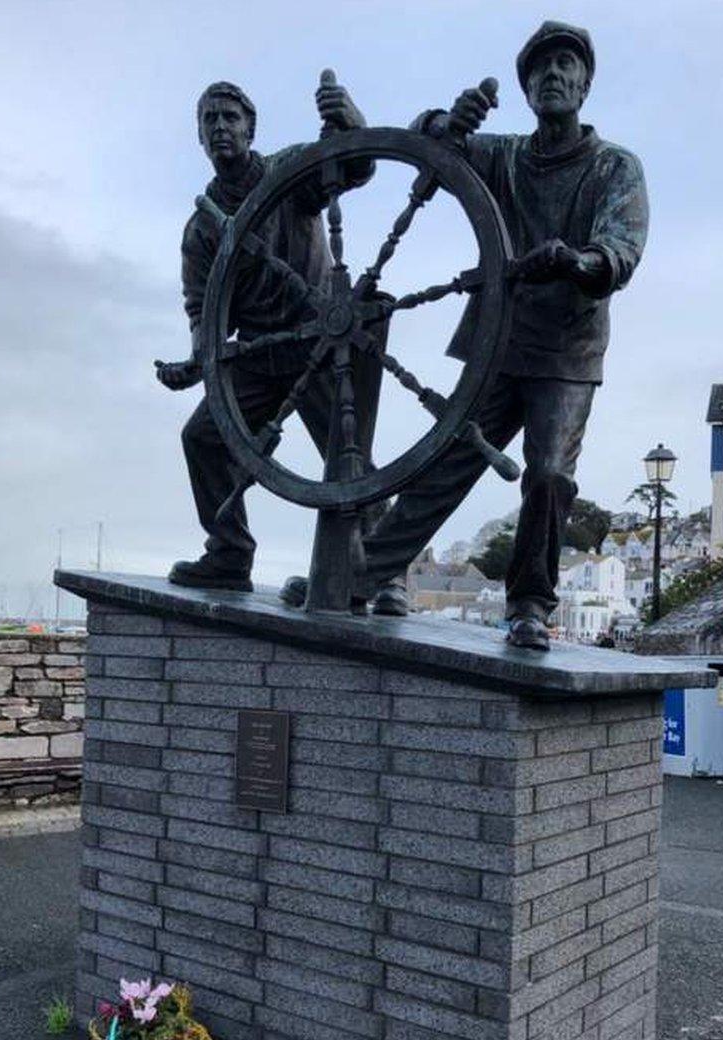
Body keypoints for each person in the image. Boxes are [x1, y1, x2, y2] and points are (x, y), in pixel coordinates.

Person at [323, 22, 649, 647]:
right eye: (540, 69)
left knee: (550, 475)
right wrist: (446, 120)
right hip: (499, 340)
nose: (552, 75)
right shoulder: (504, 155)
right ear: (526, 89)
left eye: (565, 65)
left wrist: (582, 261)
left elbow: (622, 247)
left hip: (567, 350)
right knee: (447, 460)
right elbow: (430, 148)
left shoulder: (614, 168)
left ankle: (529, 603)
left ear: (585, 83)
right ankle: (367, 575)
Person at [156, 78, 370, 590]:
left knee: (350, 459)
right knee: (202, 437)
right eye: (210, 120)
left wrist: (353, 121)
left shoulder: (288, 173)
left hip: (316, 342)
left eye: (231, 118)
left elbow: (356, 166)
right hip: (256, 353)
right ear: (199, 138)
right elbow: (204, 311)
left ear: (251, 128)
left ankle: (380, 573)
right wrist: (196, 360)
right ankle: (229, 554)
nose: (221, 128)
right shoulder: (201, 230)